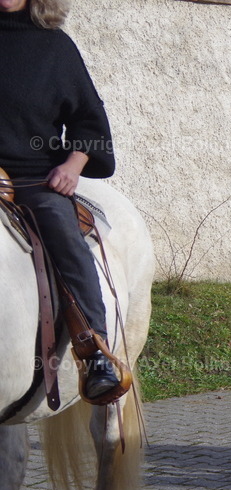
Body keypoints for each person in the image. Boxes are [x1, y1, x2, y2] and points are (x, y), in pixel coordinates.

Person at [0, 0, 123, 400]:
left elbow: (90, 119)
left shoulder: (55, 47)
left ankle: (95, 354)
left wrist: (73, 165)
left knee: (64, 236)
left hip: (36, 179)